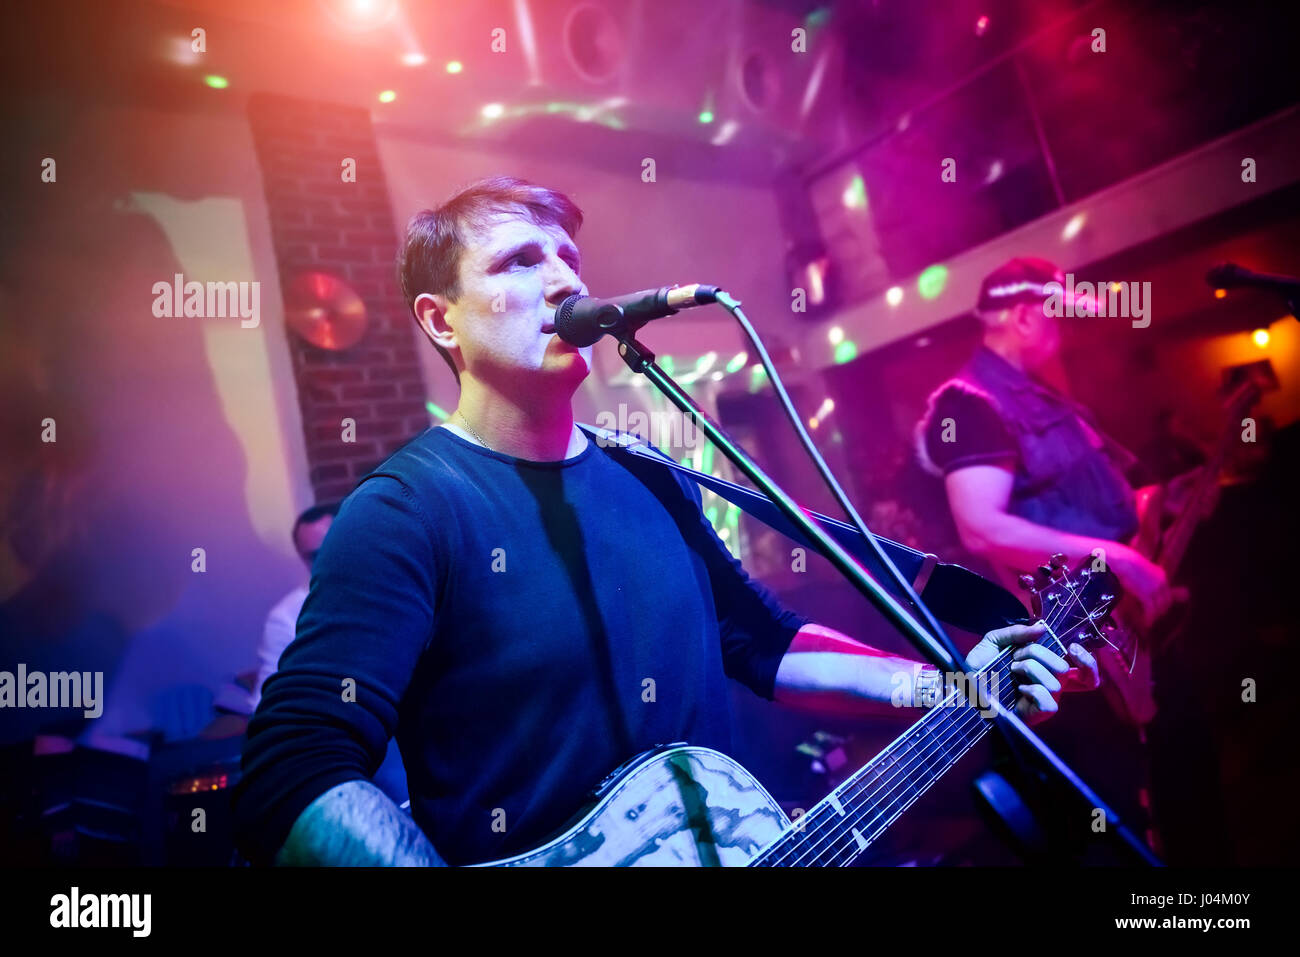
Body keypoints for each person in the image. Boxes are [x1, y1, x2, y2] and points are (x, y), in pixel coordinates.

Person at [233, 180, 1098, 867]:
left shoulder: (649, 475)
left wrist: (949, 684)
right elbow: (293, 767)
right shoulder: (408, 507)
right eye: (519, 262)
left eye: (568, 257)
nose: (565, 279)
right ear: (440, 320)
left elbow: (764, 642)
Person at [914, 256, 1176, 855]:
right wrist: (1118, 556)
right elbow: (981, 527)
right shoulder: (968, 401)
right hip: (1067, 644)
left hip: (1117, 631)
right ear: (1029, 317)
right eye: (1058, 320)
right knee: (1108, 823)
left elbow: (1092, 498)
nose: (1065, 333)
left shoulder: (1044, 396)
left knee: (1168, 791)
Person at [249, 503, 337, 710]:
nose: (325, 561)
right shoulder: (286, 617)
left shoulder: (389, 589)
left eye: (332, 548)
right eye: (314, 556)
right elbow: (265, 703)